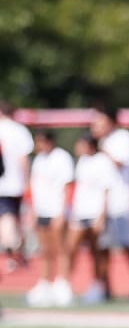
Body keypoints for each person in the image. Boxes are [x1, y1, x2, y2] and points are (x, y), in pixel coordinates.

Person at [89, 104, 129, 299]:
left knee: (126, 245)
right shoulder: (99, 142)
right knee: (102, 247)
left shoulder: (122, 138)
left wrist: (103, 149)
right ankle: (105, 288)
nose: (95, 125)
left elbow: (121, 162)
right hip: (100, 204)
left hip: (119, 202)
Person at [66, 134, 118, 305]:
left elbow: (106, 189)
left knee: (97, 252)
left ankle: (97, 286)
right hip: (80, 213)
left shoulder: (102, 162)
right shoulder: (82, 162)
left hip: (95, 213)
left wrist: (102, 216)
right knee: (70, 248)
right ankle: (64, 285)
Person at [26, 130, 75, 307]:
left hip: (56, 210)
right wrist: (33, 210)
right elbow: (35, 187)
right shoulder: (39, 160)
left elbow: (67, 186)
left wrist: (62, 212)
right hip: (42, 210)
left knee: (61, 248)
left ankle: (62, 283)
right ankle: (45, 283)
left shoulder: (61, 158)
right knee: (45, 250)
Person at [0, 100, 34, 273]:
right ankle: (15, 248)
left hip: (4, 184)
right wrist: (28, 181)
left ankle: (14, 249)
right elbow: (23, 159)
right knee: (11, 218)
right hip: (15, 183)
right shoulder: (19, 130)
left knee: (7, 217)